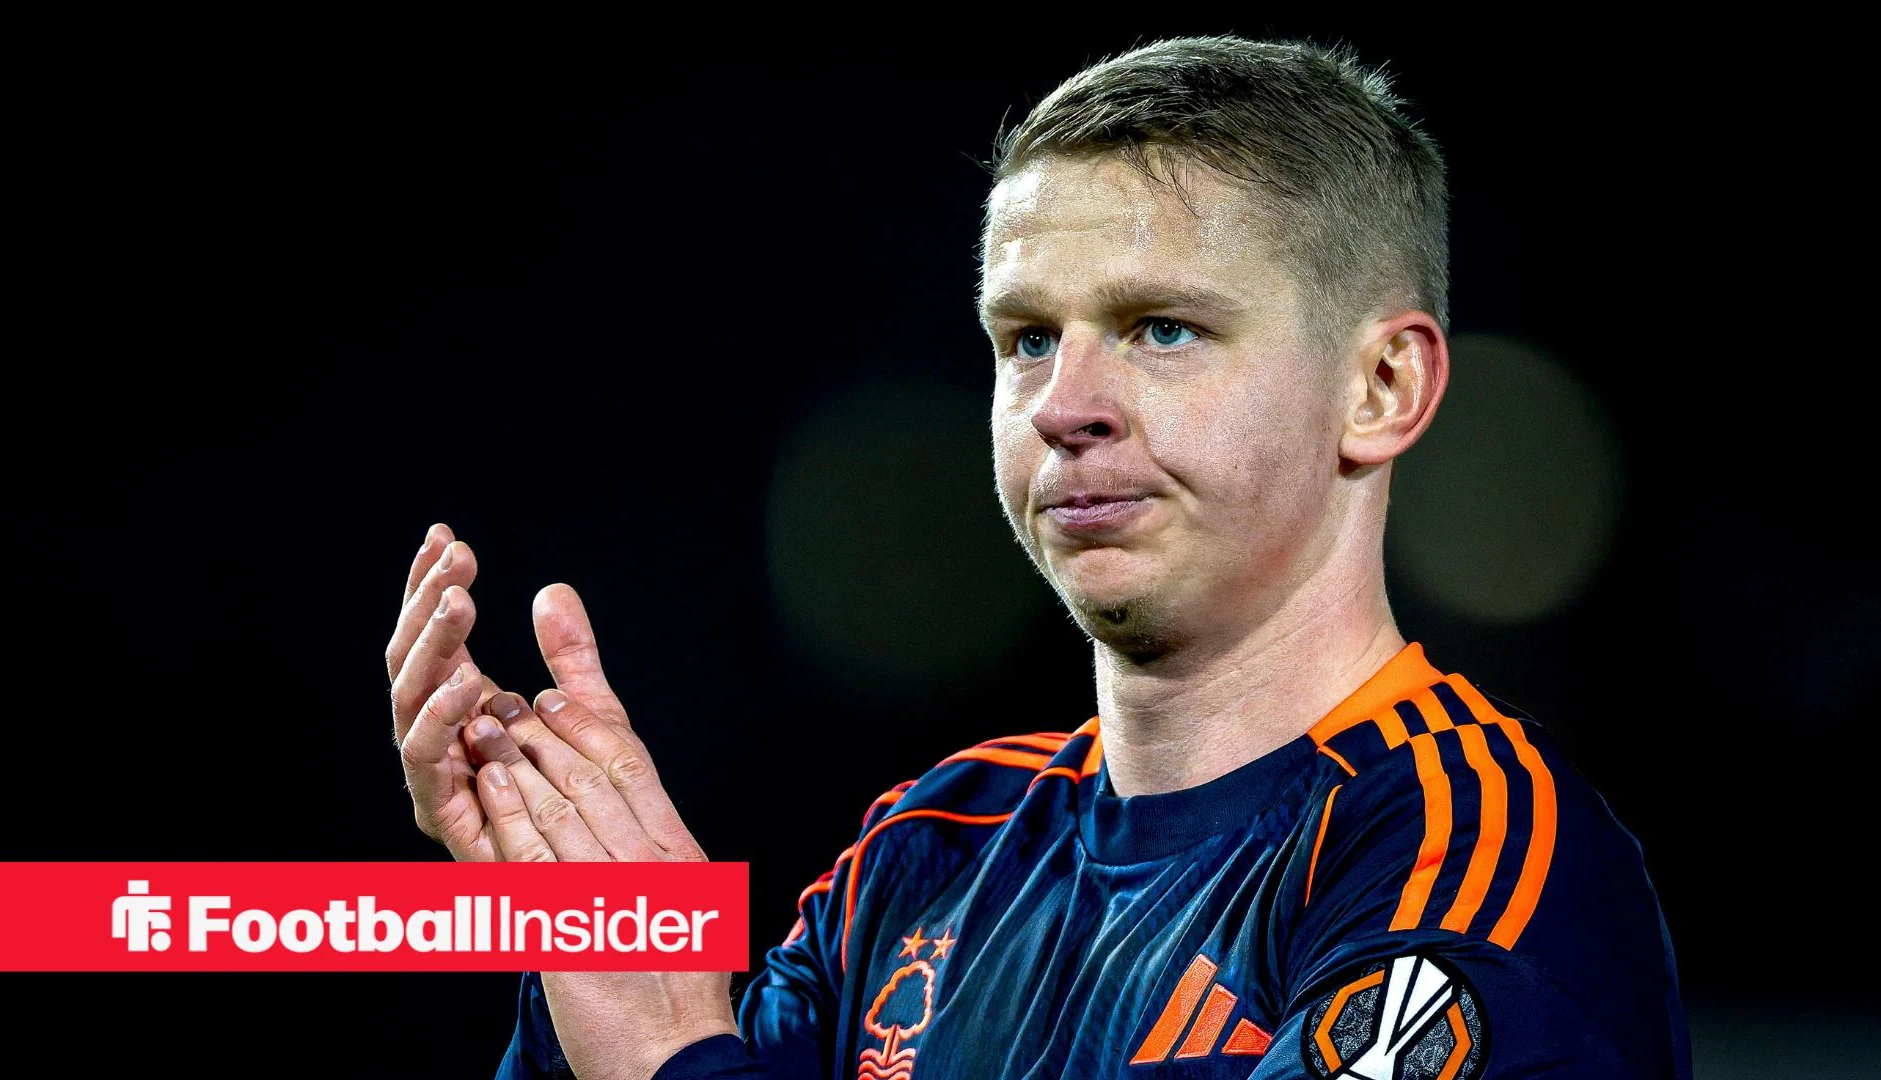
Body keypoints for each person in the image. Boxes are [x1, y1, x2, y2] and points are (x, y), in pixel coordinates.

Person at [385, 36, 1689, 1080]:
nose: (1066, 405)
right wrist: (584, 936)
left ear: (1382, 387)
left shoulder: (1469, 861)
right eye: (1025, 340)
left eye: (1162, 329)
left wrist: (670, 1050)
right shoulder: (925, 852)